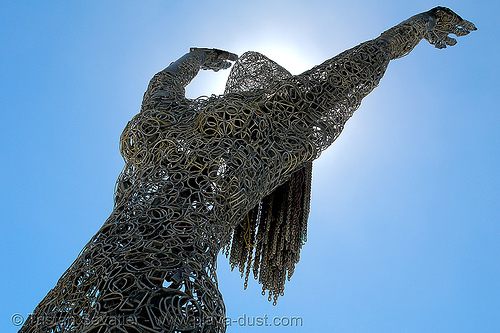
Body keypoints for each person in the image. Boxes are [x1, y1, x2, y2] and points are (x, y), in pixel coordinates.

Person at [19, 6, 476, 333]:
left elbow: (163, 83)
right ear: (277, 87)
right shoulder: (276, 120)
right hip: (182, 287)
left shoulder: (162, 119)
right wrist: (416, 26)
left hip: (89, 276)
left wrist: (197, 58)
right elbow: (359, 66)